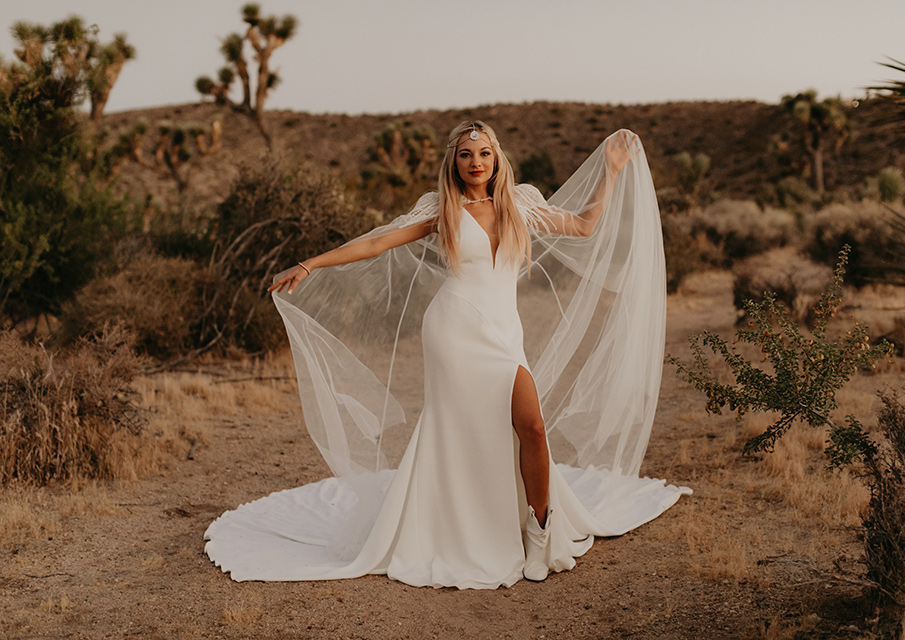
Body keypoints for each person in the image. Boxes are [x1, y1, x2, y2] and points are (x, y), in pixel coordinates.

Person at [204, 121, 690, 589]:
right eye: (465, 154)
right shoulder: (441, 209)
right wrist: (311, 263)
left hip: (504, 332)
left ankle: (539, 534)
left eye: (484, 153)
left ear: (497, 158)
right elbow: (376, 242)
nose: (476, 162)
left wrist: (611, 170)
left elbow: (584, 226)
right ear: (454, 162)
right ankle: (466, 527)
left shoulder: (521, 204)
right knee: (466, 430)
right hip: (454, 329)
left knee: (531, 427)